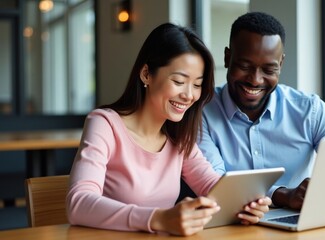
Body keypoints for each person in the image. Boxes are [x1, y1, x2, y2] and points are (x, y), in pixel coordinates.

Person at [66, 23, 271, 236]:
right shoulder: (105, 124)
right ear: (146, 74)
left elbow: (212, 186)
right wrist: (158, 218)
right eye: (179, 81)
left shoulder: (179, 136)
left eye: (197, 84)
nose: (189, 95)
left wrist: (246, 205)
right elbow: (78, 203)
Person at [197, 12, 325, 210]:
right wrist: (284, 195)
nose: (255, 80)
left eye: (269, 70)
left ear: (281, 64)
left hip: (300, 223)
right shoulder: (201, 113)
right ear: (227, 58)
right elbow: (216, 184)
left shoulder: (310, 111)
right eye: (244, 66)